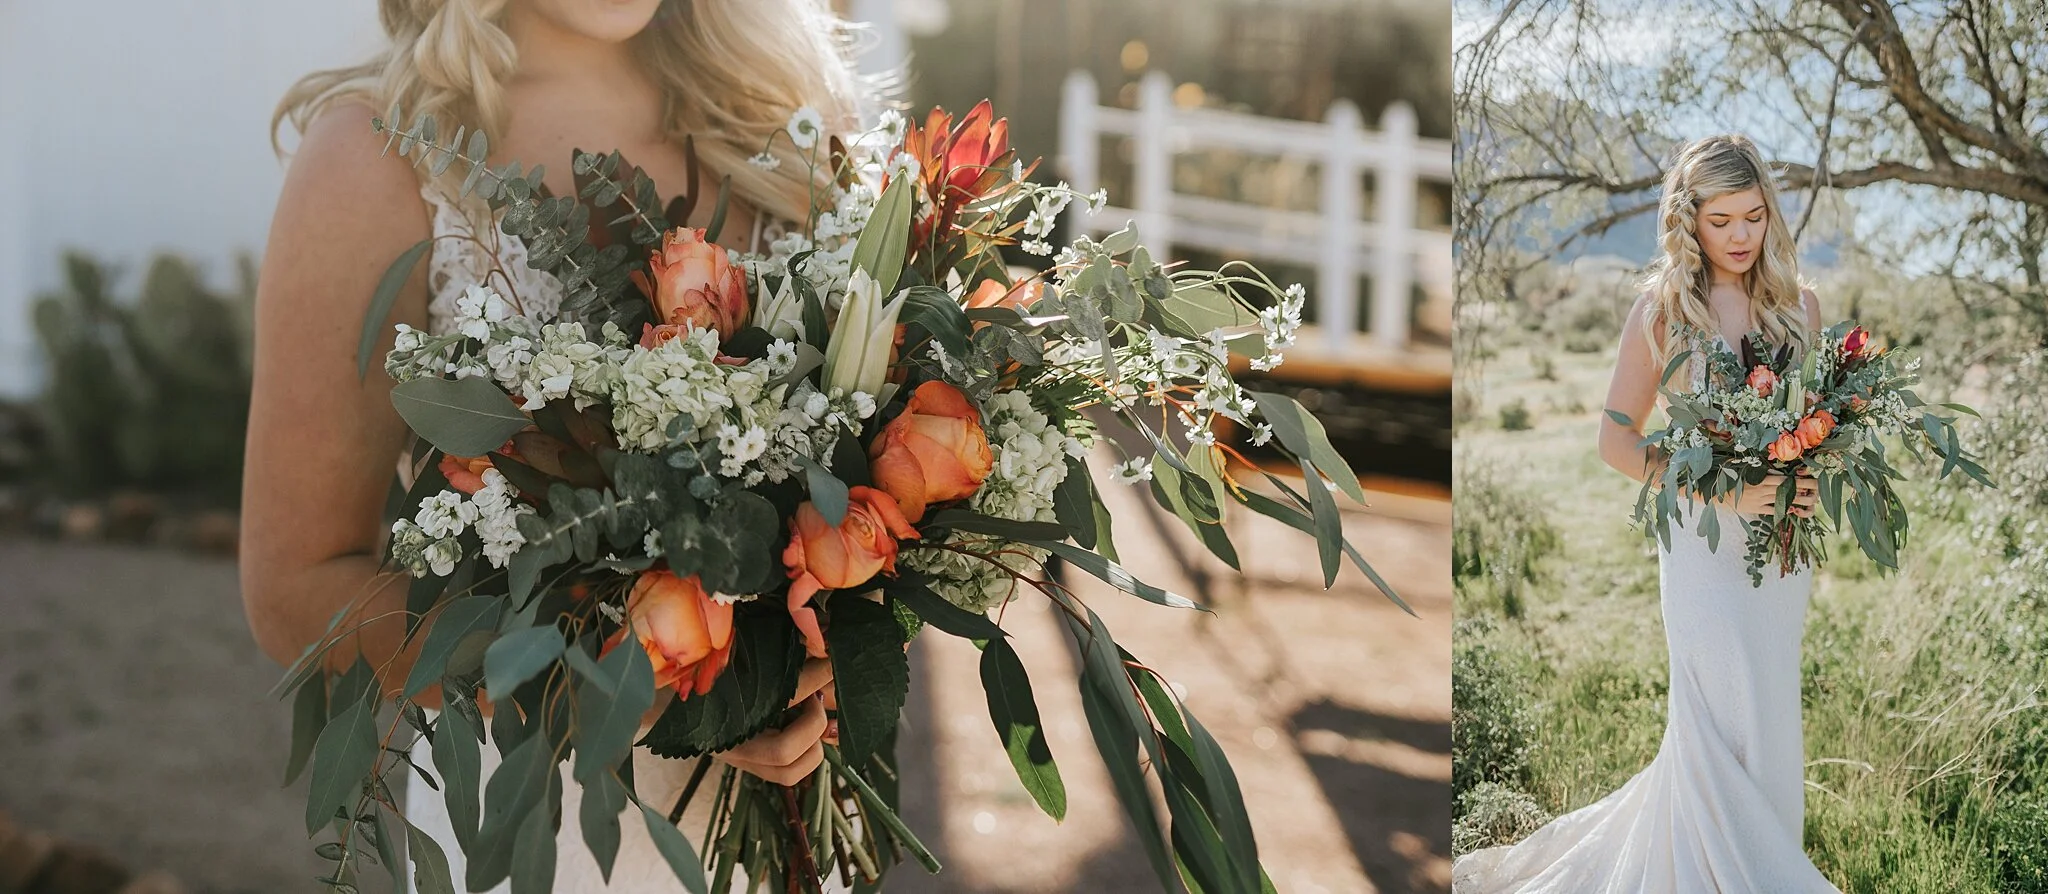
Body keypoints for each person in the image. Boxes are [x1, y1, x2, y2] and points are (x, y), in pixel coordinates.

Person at [239, 1, 874, 888]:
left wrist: (836, 656)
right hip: (554, 838)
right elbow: (296, 586)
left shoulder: (788, 111)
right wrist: (623, 698)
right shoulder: (378, 156)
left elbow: (869, 467)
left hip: (797, 831)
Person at [1453, 134, 1840, 892]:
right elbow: (1615, 440)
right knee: (1714, 725)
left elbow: (1813, 427)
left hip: (1780, 553)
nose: (1738, 237)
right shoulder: (1663, 312)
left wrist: (1805, 488)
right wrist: (1728, 492)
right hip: (1703, 551)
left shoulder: (1802, 309)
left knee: (1768, 723)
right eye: (1720, 220)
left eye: (1753, 217)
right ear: (1688, 220)